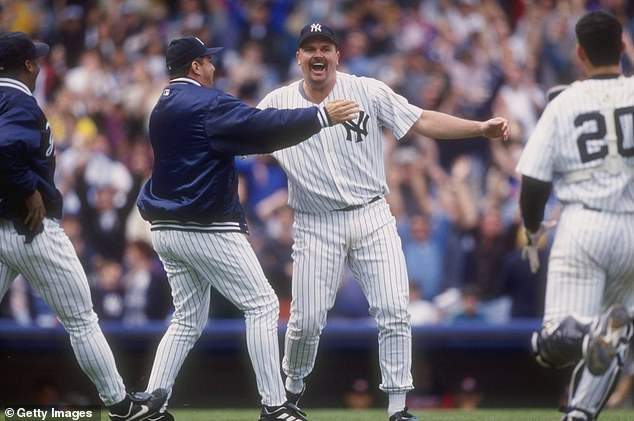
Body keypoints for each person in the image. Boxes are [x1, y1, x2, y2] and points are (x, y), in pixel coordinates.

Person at [257, 22, 510, 421]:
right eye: (310, 49)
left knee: (395, 308)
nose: (318, 54)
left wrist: (478, 128)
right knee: (306, 322)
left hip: (372, 213)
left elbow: (421, 119)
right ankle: (291, 392)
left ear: (338, 55)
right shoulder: (276, 103)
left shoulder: (367, 91)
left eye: (326, 47)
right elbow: (242, 137)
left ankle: (397, 407)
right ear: (299, 57)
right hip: (315, 220)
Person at [135, 35, 359, 421]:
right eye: (207, 61)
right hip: (204, 225)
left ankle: (153, 400)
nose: (213, 67)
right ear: (194, 67)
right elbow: (261, 127)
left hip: (165, 228)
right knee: (262, 305)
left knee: (188, 318)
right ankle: (274, 405)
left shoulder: (162, 105)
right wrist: (321, 116)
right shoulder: (207, 102)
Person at [0, 31, 167, 420]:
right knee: (81, 320)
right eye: (35, 60)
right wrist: (27, 188)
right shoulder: (18, 101)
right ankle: (122, 406)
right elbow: (5, 147)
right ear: (27, 65)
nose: (40, 65)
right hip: (31, 230)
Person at [516, 11, 634, 421]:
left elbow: (533, 182)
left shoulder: (564, 102)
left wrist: (532, 229)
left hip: (585, 224)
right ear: (623, 47)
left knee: (551, 342)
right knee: (617, 335)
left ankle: (588, 336)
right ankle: (579, 413)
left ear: (579, 53)